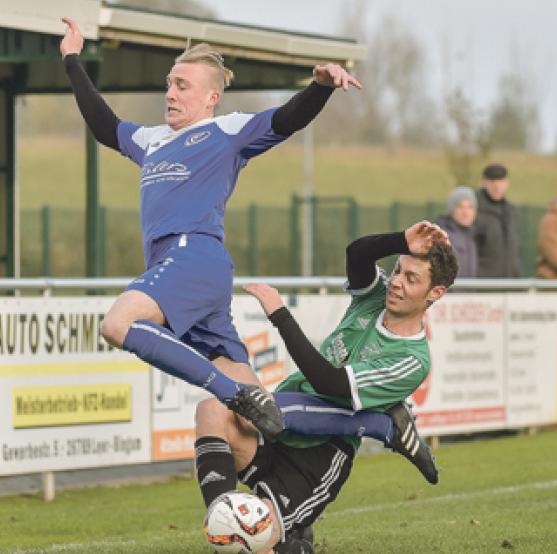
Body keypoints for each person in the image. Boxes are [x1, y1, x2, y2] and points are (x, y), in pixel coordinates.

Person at [59, 18, 362, 438]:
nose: (170, 93)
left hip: (193, 255)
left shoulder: (226, 130)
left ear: (211, 97)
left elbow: (286, 119)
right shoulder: (152, 140)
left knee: (117, 325)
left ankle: (234, 394)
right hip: (186, 270)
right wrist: (72, 59)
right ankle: (377, 423)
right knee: (258, 428)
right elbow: (104, 126)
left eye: (182, 85)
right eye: (169, 83)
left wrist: (320, 88)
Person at [194, 222, 457, 553]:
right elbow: (357, 254)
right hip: (279, 426)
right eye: (398, 271)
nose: (397, 283)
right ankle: (228, 521)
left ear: (435, 293)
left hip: (318, 458)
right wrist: (402, 240)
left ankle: (286, 539)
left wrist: (279, 314)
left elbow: (328, 383)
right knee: (211, 410)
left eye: (412, 279)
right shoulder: (375, 298)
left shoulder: (412, 360)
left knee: (254, 545)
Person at [474, 163, 522, 277]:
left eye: (500, 181)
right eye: (492, 181)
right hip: (483, 285)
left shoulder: (511, 211)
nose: (497, 186)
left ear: (507, 183)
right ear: (484, 182)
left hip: (512, 283)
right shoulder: (474, 210)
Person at [435, 186, 478, 278]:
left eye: (470, 207)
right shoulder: (442, 236)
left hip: (469, 292)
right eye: (460, 207)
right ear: (452, 210)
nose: (466, 212)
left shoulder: (471, 235)